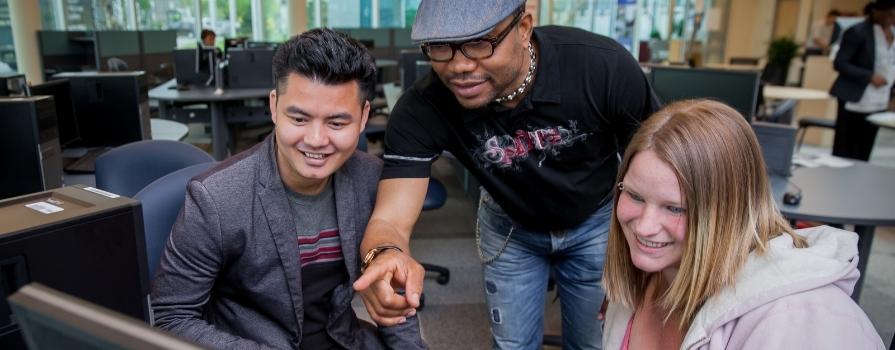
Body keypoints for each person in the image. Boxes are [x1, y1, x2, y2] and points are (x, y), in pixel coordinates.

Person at [352, 0, 659, 348]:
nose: (460, 66)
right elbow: (390, 218)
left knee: (596, 343)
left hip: (596, 223)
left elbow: (660, 171)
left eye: (480, 42)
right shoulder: (423, 107)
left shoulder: (601, 66)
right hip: (511, 227)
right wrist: (383, 254)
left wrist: (638, 260)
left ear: (524, 27)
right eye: (440, 47)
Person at [150, 29, 427, 349]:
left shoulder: (371, 179)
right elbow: (172, 318)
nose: (316, 140)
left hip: (341, 339)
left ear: (363, 117)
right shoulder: (215, 198)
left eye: (337, 123)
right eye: (298, 119)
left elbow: (394, 292)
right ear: (274, 106)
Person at [601, 99, 885, 350]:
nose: (644, 227)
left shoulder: (803, 320)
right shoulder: (645, 277)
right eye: (635, 196)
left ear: (729, 211)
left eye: (675, 208)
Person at [830, 0, 895, 161]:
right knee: (845, 150)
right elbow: (840, 63)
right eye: (890, 14)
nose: (892, 19)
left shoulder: (893, 33)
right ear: (877, 11)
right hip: (854, 97)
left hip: (879, 98)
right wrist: (869, 76)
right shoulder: (858, 32)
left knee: (865, 149)